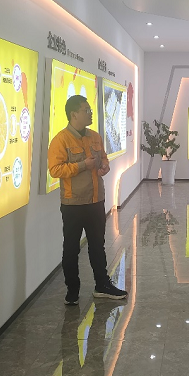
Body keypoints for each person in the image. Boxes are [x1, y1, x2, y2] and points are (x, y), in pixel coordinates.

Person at [48, 95, 128, 305]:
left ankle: (102, 285)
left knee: (97, 245)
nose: (90, 113)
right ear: (74, 114)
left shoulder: (94, 136)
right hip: (73, 204)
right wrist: (83, 165)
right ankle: (72, 291)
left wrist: (104, 166)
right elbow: (55, 170)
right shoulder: (61, 140)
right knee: (71, 248)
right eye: (86, 110)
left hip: (95, 201)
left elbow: (103, 158)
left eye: (90, 110)